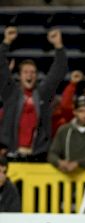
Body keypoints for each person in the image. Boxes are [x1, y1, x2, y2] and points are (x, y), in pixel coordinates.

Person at [0, 27, 68, 162]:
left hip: (37, 155)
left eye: (33, 72)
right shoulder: (11, 93)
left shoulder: (43, 94)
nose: (29, 75)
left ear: (36, 76)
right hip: (12, 154)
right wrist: (6, 41)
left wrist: (58, 45)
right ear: (19, 76)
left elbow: (58, 71)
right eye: (25, 72)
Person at [47, 95, 85, 172]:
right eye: (81, 111)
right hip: (68, 178)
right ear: (75, 112)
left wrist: (78, 163)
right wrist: (59, 162)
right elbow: (52, 153)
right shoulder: (64, 130)